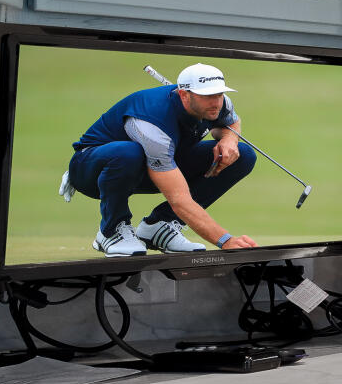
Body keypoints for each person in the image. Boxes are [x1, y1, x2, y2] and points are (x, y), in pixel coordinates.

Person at [62, 64, 262, 256]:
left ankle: (160, 226)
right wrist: (225, 240)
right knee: (128, 152)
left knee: (242, 155)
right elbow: (179, 199)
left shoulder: (219, 103)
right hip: (91, 170)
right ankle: (111, 230)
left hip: (149, 164)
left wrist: (229, 139)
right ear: (184, 95)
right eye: (208, 96)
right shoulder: (152, 125)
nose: (216, 102)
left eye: (219, 94)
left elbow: (231, 121)